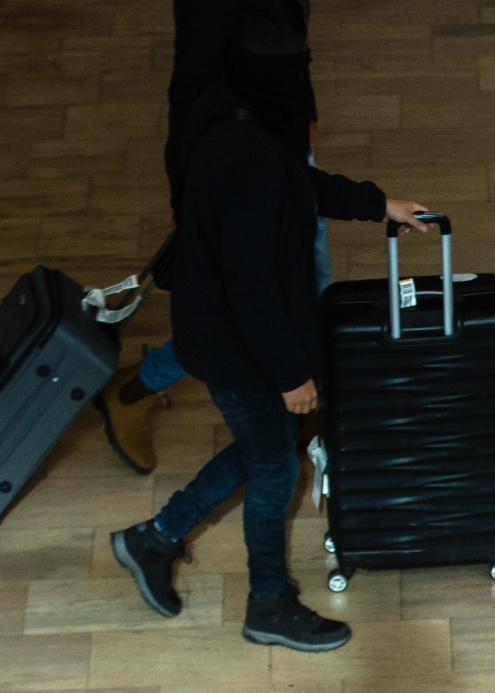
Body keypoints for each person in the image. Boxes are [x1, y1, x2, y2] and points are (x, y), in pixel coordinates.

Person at [109, 24, 430, 653]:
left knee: (268, 452)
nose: (315, 128)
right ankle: (268, 603)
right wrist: (291, 374)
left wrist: (378, 203)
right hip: (240, 352)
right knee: (276, 471)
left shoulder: (233, 123)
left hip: (218, 332)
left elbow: (296, 187)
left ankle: (157, 536)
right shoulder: (252, 161)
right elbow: (252, 286)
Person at [97, 0, 334, 475]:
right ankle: (133, 391)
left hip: (280, 144)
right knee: (243, 306)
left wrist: (305, 114)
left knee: (304, 287)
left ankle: (304, 401)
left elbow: (288, 35)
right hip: (241, 161)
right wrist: (186, 206)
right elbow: (191, 85)